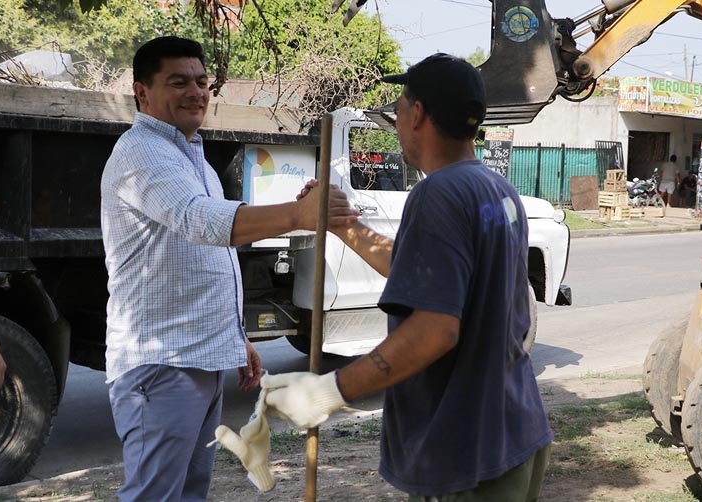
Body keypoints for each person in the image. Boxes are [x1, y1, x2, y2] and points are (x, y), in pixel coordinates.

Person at [258, 53, 552, 500]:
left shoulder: (438, 193)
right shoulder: (495, 190)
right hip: (512, 433)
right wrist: (344, 225)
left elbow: (434, 330)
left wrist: (329, 391)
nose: (395, 120)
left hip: (463, 454)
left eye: (397, 108)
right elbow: (420, 270)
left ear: (417, 114)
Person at [100, 36, 357, 501]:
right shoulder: (142, 152)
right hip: (161, 363)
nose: (196, 92)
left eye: (201, 82)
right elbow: (203, 223)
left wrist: (234, 337)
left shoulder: (191, 157)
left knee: (189, 492)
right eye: (178, 82)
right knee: (153, 496)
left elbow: (211, 256)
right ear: (142, 92)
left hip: (196, 356)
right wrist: (299, 215)